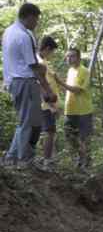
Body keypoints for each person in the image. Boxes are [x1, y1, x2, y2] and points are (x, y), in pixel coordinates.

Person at [1, 3, 57, 167]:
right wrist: (47, 88)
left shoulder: (8, 32)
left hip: (13, 81)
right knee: (29, 123)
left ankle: (12, 156)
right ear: (29, 16)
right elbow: (33, 66)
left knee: (27, 120)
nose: (37, 23)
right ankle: (22, 159)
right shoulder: (23, 36)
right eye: (36, 19)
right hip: (25, 82)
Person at [54, 47, 93, 168]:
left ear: (79, 58)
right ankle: (80, 158)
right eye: (68, 56)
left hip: (83, 111)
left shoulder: (85, 71)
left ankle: (86, 163)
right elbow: (68, 89)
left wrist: (60, 82)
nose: (69, 59)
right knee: (69, 136)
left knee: (83, 138)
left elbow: (77, 90)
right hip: (70, 110)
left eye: (72, 56)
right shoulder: (70, 71)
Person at [35, 36, 60, 168]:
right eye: (52, 52)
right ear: (47, 48)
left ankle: (46, 158)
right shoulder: (40, 62)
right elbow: (40, 84)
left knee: (47, 132)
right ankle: (46, 160)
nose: (52, 55)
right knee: (49, 132)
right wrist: (51, 105)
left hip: (47, 104)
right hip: (45, 105)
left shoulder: (42, 61)